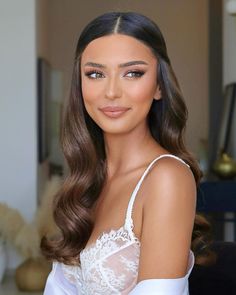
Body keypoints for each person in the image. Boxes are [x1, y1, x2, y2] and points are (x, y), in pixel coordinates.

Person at [41, 11, 211, 295]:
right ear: (80, 85)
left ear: (158, 85)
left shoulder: (166, 178)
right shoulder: (88, 180)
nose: (111, 92)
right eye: (95, 74)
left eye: (133, 73)